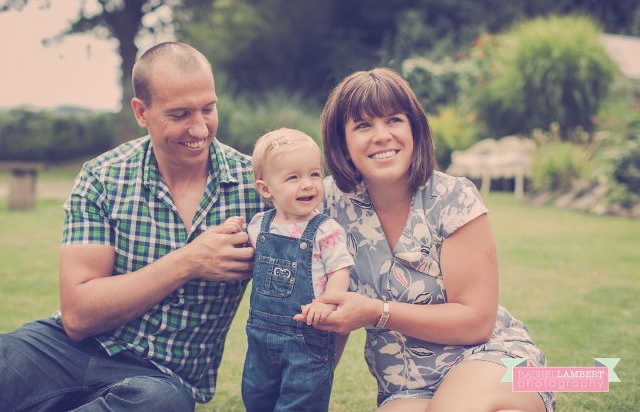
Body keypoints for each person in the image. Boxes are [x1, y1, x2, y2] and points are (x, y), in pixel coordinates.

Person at [0, 42, 266, 411]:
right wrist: (189, 261)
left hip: (157, 378)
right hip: (64, 349)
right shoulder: (103, 176)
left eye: (208, 108)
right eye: (180, 114)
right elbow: (78, 316)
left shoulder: (259, 188)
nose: (199, 128)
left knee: (160, 404)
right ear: (142, 112)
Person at [307, 68, 556, 412]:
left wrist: (378, 312)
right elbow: (329, 316)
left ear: (414, 129)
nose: (381, 136)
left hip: (491, 357)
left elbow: (477, 323)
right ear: (342, 144)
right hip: (408, 384)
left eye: (394, 120)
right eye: (363, 125)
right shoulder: (327, 206)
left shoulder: (453, 198)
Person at [231, 128, 354, 411]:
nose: (307, 184)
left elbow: (340, 270)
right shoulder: (258, 225)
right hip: (260, 335)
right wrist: (231, 232)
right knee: (256, 394)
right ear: (265, 189)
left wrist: (327, 303)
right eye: (293, 177)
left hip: (307, 335)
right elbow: (246, 256)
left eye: (314, 174)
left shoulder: (326, 230)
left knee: (302, 397)